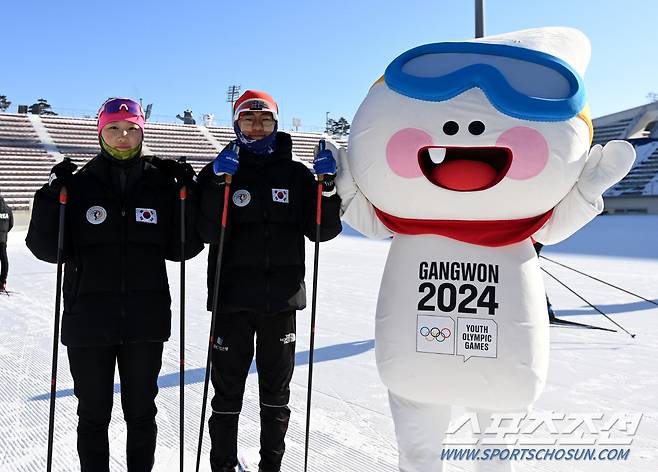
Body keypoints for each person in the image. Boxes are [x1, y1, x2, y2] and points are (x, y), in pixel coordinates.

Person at [26, 97, 203, 472]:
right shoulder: (77, 187)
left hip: (145, 323)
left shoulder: (160, 186)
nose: (122, 137)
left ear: (141, 132)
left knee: (141, 414)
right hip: (88, 323)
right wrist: (48, 196)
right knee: (93, 416)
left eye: (131, 130)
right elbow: (46, 250)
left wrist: (188, 197)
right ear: (100, 132)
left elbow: (183, 249)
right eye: (114, 129)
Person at [196, 90, 342, 472]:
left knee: (276, 396)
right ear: (236, 123)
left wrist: (326, 189)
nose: (257, 127)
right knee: (226, 396)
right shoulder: (220, 170)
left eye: (265, 120)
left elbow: (321, 231)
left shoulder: (295, 174)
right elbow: (205, 231)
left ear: (276, 125)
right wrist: (214, 182)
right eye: (248, 119)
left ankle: (271, 467)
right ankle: (223, 465)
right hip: (231, 302)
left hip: (281, 302)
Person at [0, 193, 13, 292]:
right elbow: (11, 224)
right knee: (4, 260)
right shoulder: (8, 209)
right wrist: (4, 234)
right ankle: (2, 282)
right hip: (3, 240)